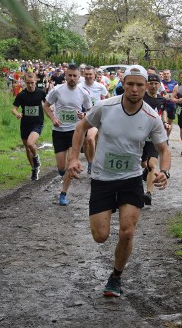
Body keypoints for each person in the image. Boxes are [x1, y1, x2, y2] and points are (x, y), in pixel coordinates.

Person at [67, 65, 171, 297]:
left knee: (127, 232)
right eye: (130, 84)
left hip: (131, 179)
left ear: (146, 87)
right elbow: (81, 126)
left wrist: (165, 171)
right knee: (100, 236)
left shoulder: (151, 117)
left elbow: (164, 149)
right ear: (123, 84)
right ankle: (105, 217)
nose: (134, 89)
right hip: (103, 178)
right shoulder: (105, 107)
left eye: (140, 85)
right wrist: (74, 157)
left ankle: (115, 276)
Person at [44, 64, 93, 206]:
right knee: (61, 167)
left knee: (71, 163)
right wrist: (53, 118)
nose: (72, 78)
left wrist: (84, 115)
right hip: (59, 132)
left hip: (75, 132)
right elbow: (46, 106)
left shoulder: (83, 93)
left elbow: (90, 111)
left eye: (75, 76)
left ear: (79, 77)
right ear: (66, 76)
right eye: (70, 75)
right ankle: (65, 174)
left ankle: (63, 194)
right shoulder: (57, 90)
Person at [140, 73, 169, 205]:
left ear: (159, 85)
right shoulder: (141, 97)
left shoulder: (162, 100)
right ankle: (145, 171)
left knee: (152, 164)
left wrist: (165, 122)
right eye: (150, 83)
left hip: (153, 137)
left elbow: (162, 112)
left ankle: (149, 193)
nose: (153, 86)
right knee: (143, 164)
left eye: (155, 83)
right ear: (147, 84)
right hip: (140, 136)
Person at [12, 73, 47, 181]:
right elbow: (14, 108)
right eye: (28, 83)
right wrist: (17, 113)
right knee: (27, 148)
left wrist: (51, 109)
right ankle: (33, 168)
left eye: (32, 83)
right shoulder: (21, 95)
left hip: (37, 123)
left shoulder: (41, 93)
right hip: (25, 124)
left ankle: (36, 158)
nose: (30, 85)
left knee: (30, 143)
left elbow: (48, 104)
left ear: (35, 81)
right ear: (25, 82)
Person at [78, 66, 110, 174]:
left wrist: (105, 109)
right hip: (82, 117)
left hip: (96, 116)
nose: (88, 76)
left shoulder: (100, 87)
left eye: (90, 74)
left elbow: (107, 98)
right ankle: (90, 162)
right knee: (85, 143)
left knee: (90, 139)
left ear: (94, 75)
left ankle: (92, 164)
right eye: (86, 74)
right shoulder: (79, 86)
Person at [161, 69, 178, 142]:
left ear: (170, 74)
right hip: (163, 104)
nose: (166, 75)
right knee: (164, 120)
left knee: (170, 122)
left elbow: (177, 93)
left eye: (167, 73)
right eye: (164, 74)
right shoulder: (160, 83)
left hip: (172, 104)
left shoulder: (175, 83)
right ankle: (163, 136)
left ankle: (167, 137)